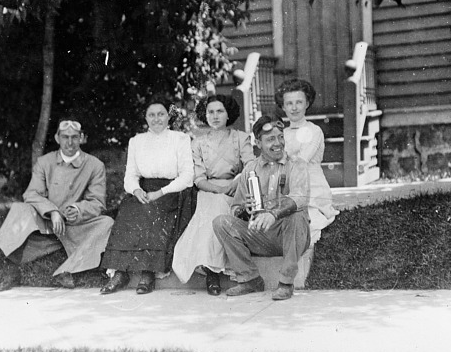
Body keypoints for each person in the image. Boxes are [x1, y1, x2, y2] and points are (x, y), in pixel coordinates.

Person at [0, 120, 114, 291]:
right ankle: (11, 266)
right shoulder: (45, 162)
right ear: (57, 138)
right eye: (65, 137)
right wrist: (52, 211)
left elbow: (97, 202)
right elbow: (32, 193)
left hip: (74, 223)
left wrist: (78, 209)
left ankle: (67, 270)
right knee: (20, 208)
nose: (70, 142)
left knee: (106, 222)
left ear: (82, 138)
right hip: (47, 220)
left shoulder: (95, 165)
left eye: (74, 137)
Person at [99, 96, 194, 295]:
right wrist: (136, 190)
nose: (156, 119)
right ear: (145, 117)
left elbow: (187, 176)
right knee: (130, 210)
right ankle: (119, 273)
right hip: (144, 190)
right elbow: (130, 175)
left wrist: (161, 192)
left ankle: (148, 272)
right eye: (151, 115)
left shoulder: (181, 139)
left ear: (169, 116)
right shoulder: (137, 141)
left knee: (153, 212)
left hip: (172, 191)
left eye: (161, 114)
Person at [213, 115, 310, 301]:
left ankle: (286, 282)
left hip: (291, 235)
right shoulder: (250, 169)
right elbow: (235, 208)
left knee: (296, 215)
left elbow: (300, 198)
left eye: (280, 137)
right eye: (270, 139)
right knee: (221, 223)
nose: (278, 143)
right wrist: (244, 210)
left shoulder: (297, 164)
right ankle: (250, 279)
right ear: (257, 142)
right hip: (262, 236)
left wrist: (273, 214)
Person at [172, 94, 254, 295]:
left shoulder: (241, 138)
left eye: (220, 111)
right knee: (212, 204)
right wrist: (218, 190)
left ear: (228, 114)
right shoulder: (198, 143)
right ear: (205, 115)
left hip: (237, 188)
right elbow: (198, 179)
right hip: (209, 190)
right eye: (211, 112)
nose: (215, 116)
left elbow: (251, 164)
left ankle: (212, 270)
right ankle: (211, 270)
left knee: (218, 206)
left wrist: (236, 182)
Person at [275, 79, 339, 241]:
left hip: (312, 188)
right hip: (288, 186)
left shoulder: (313, 130)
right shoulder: (282, 133)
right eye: (289, 103)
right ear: (283, 106)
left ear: (307, 104)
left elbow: (301, 161)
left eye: (299, 102)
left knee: (307, 225)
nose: (294, 108)